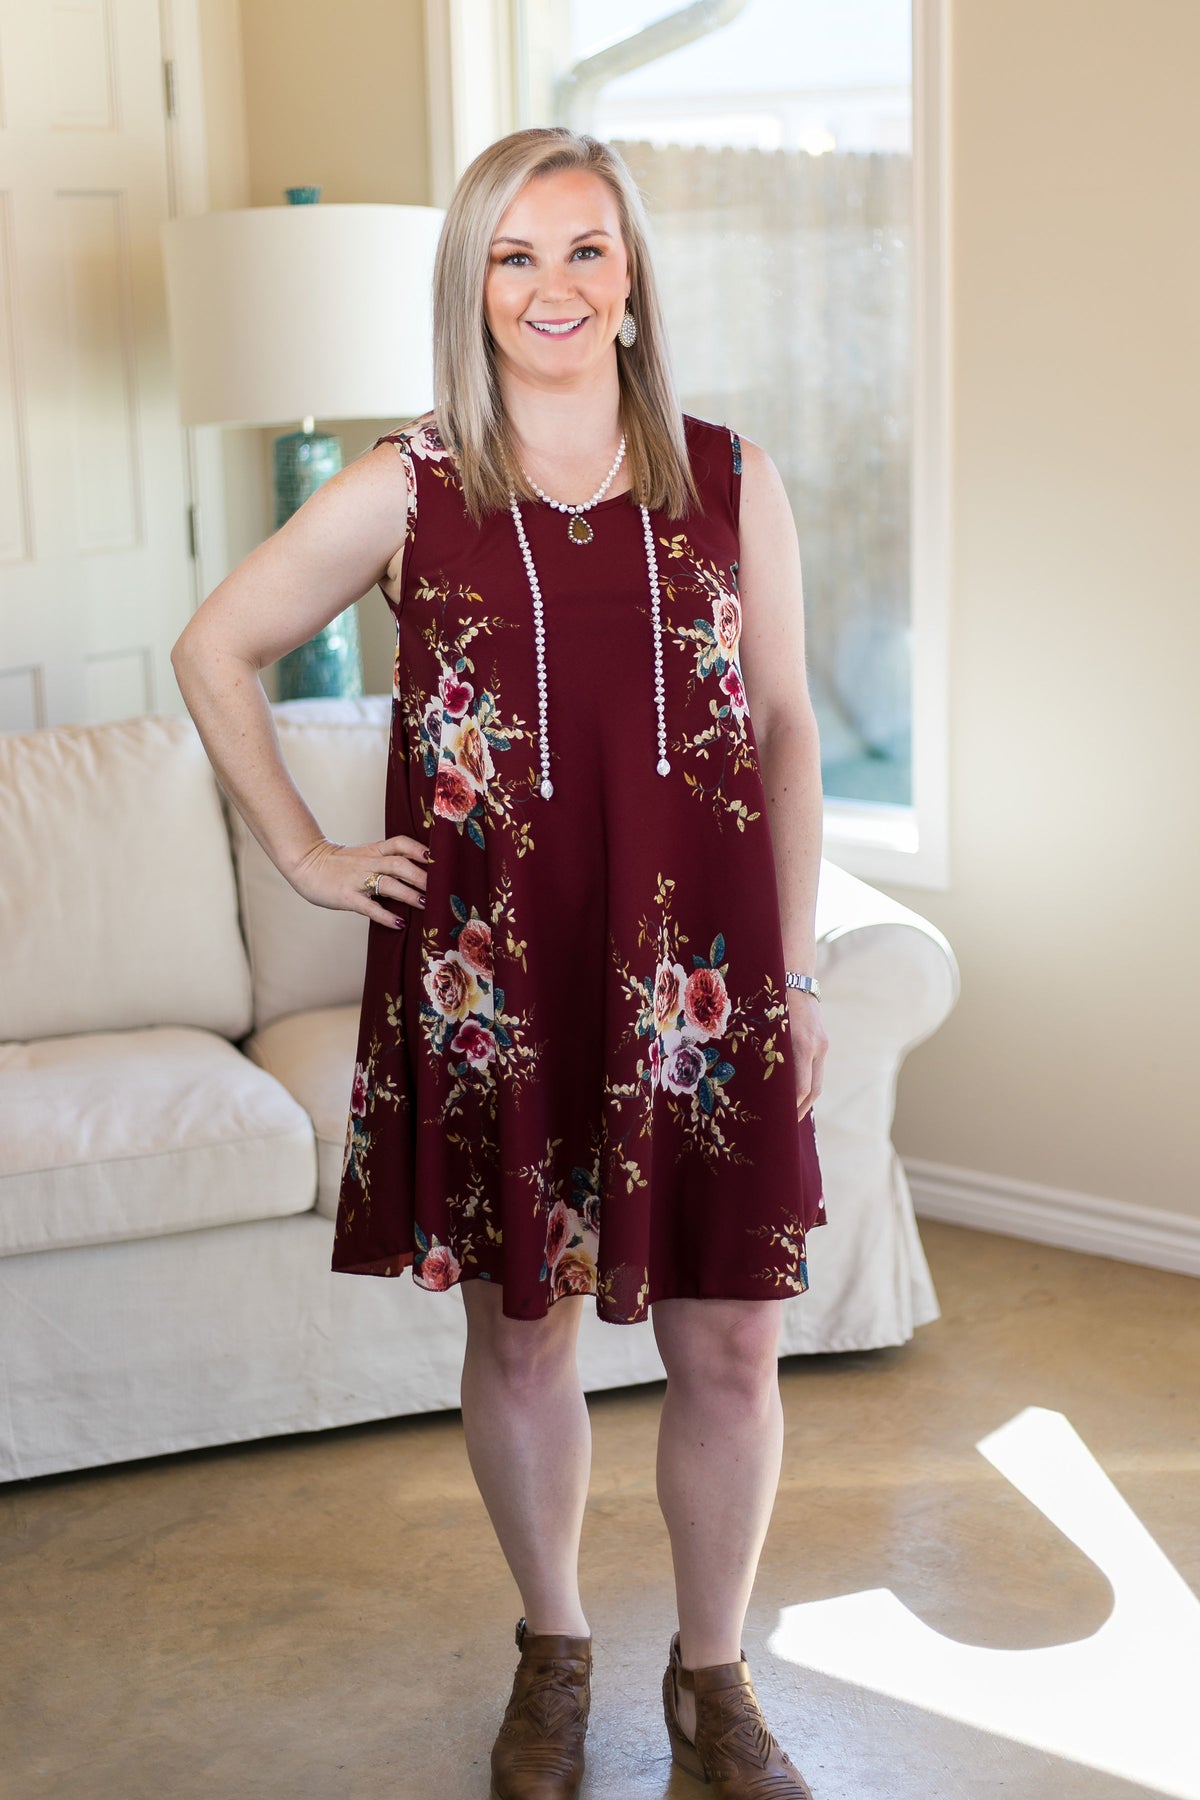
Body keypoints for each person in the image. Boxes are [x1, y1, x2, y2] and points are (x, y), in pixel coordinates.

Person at [172, 126, 829, 1800]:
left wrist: (797, 974)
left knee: (732, 1348)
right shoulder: (409, 487)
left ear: (632, 276)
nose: (552, 286)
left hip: (702, 983)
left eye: (585, 249)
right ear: (471, 284)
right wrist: (306, 856)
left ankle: (714, 1678)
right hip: (496, 985)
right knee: (525, 1336)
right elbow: (216, 647)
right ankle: (555, 1651)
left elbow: (782, 728)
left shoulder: (731, 478)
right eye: (514, 255)